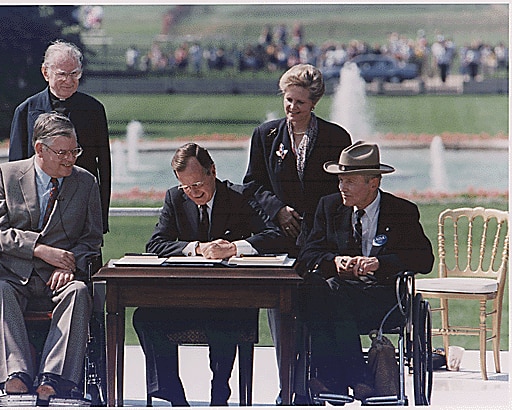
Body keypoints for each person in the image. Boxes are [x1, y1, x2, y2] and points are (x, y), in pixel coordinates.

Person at [133, 143, 285, 406]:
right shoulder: (175, 198)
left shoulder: (239, 197)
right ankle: (172, 394)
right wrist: (196, 248)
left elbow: (274, 236)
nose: (194, 193)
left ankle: (219, 393)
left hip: (232, 300)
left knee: (224, 319)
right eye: (186, 187)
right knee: (145, 317)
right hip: (187, 299)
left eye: (198, 184)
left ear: (212, 171)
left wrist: (235, 247)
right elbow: (156, 243)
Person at [242, 63, 351, 403]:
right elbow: (252, 184)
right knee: (281, 310)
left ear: (314, 103)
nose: (292, 108)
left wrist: (316, 221)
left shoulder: (336, 138)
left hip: (321, 241)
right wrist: (277, 209)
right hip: (279, 239)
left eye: (299, 103)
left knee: (318, 305)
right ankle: (288, 387)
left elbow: (341, 191)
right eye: (288, 100)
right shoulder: (266, 136)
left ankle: (321, 382)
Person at [296, 141, 434, 400]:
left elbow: (424, 260)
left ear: (374, 183)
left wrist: (381, 263)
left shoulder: (401, 212)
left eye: (349, 181)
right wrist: (334, 261)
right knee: (317, 289)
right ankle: (358, 378)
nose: (341, 187)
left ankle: (333, 380)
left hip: (382, 297)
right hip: (338, 294)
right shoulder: (329, 207)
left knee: (327, 295)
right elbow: (306, 255)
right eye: (340, 180)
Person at [0, 112, 103, 402]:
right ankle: (16, 375)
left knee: (78, 291)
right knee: (0, 289)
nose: (70, 159)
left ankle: (53, 378)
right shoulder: (6, 175)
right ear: (40, 149)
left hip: (61, 278)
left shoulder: (85, 182)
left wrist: (71, 262)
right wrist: (38, 249)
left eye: (74, 151)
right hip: (16, 273)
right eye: (62, 153)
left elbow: (92, 238)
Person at [9, 39, 111, 233]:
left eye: (75, 74)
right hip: (35, 217)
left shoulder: (94, 110)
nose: (69, 80)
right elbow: (15, 172)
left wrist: (100, 220)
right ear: (45, 73)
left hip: (81, 213)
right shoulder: (25, 111)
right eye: (62, 74)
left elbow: (104, 169)